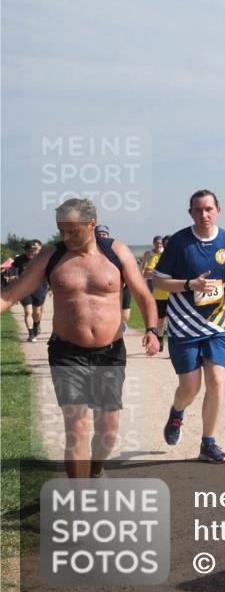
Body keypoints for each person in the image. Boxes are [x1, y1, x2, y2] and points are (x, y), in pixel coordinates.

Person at [1, 199, 160, 478]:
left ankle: (96, 471)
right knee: (76, 428)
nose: (66, 237)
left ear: (91, 225)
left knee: (108, 429)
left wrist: (152, 330)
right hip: (66, 353)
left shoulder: (116, 252)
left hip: (109, 353)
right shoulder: (51, 256)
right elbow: (9, 295)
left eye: (72, 231)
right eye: (61, 230)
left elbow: (144, 296)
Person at [152, 189, 225, 464]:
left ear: (218, 210)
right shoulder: (179, 243)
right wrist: (189, 284)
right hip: (183, 326)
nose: (204, 214)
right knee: (190, 388)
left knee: (217, 381)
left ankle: (208, 443)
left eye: (209, 209)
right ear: (190, 213)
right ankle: (177, 413)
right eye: (198, 210)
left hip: (218, 324)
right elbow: (158, 281)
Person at [95, 225, 135, 329]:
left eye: (104, 234)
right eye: (99, 234)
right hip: (103, 288)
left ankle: (120, 325)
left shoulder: (116, 250)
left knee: (125, 315)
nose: (101, 236)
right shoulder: (91, 253)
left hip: (123, 285)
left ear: (108, 236)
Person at [10, 240, 48, 342]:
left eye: (32, 251)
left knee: (37, 312)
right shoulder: (19, 260)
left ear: (35, 250)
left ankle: (36, 324)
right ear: (25, 250)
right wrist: (13, 275)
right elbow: (13, 269)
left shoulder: (40, 259)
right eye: (28, 251)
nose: (30, 253)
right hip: (24, 289)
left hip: (39, 288)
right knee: (28, 312)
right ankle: (31, 334)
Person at [141, 235, 168, 348]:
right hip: (155, 288)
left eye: (161, 244)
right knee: (160, 319)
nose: (159, 245)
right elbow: (145, 271)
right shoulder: (150, 254)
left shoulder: (170, 255)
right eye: (157, 243)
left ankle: (170, 342)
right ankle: (160, 337)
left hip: (171, 291)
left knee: (171, 320)